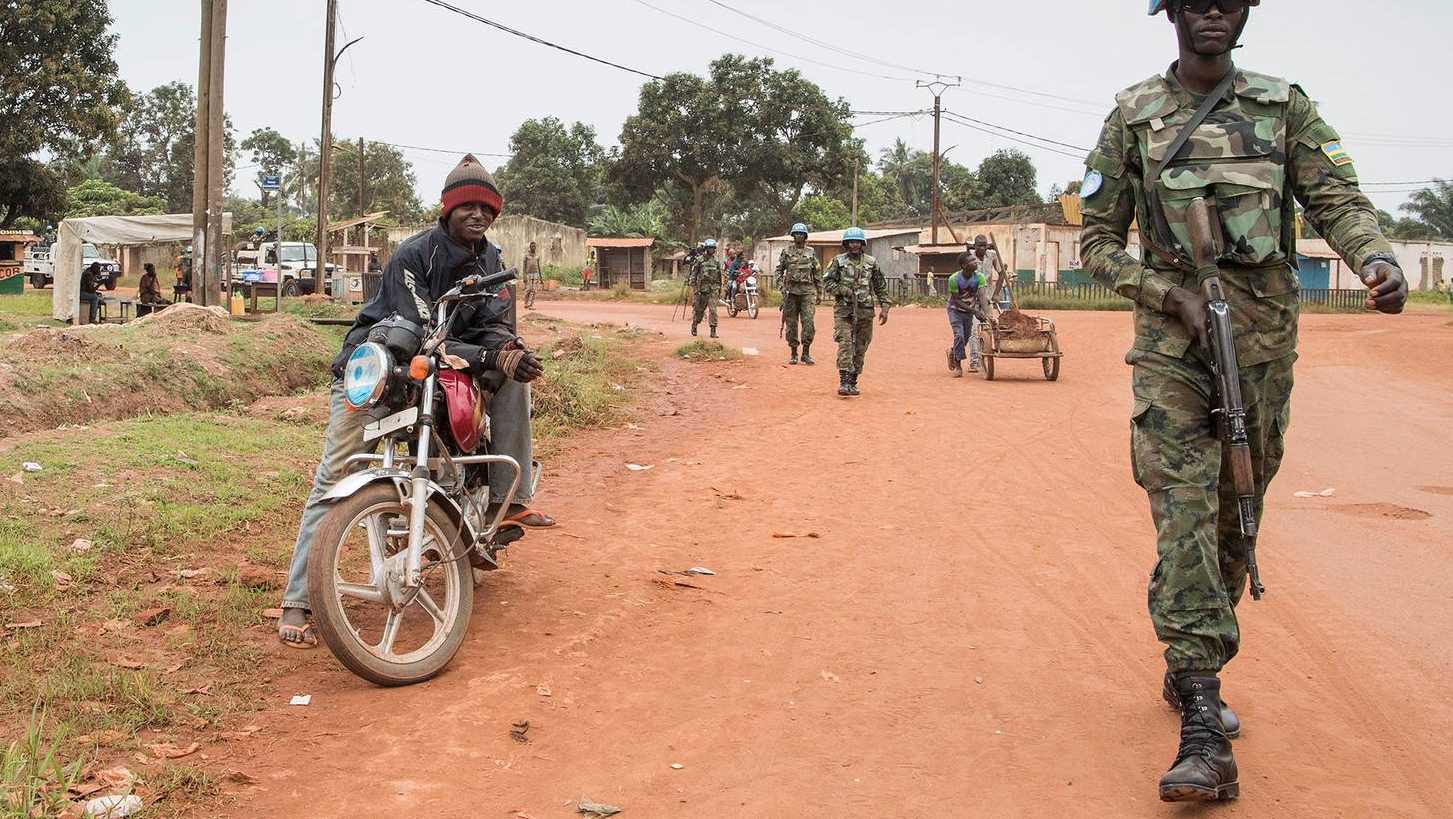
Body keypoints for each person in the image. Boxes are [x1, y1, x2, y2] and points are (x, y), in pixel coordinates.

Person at [1080, 0, 1407, 802]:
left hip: (1259, 354)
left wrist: (1374, 259)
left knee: (1235, 519)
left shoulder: (1281, 106)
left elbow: (1337, 200)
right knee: (1183, 510)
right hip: (1172, 355)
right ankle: (1201, 714)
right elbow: (1094, 241)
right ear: (1173, 14)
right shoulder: (1133, 116)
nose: (1214, 12)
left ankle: (1193, 662)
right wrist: (1168, 295)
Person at [278, 154, 554, 649]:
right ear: (446, 209)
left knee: (516, 379)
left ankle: (507, 502)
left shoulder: (492, 260)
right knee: (333, 475)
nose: (479, 216)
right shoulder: (414, 254)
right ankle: (299, 598)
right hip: (381, 372)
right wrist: (489, 351)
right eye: (467, 206)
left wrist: (509, 352)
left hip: (444, 372)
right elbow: (421, 332)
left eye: (488, 209)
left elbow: (495, 324)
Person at [822, 227, 889, 396]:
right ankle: (843, 382)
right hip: (844, 310)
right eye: (851, 242)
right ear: (846, 244)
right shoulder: (838, 261)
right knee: (845, 343)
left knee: (861, 346)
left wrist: (885, 307)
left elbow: (880, 286)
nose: (854, 245)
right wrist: (844, 291)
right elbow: (827, 282)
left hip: (865, 310)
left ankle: (853, 381)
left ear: (862, 244)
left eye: (857, 242)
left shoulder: (871, 262)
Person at [776, 222, 822, 365]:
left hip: (807, 291)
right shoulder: (787, 251)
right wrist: (781, 286)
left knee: (808, 322)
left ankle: (806, 352)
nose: (799, 236)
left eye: (801, 234)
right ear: (793, 235)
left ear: (805, 236)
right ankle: (794, 352)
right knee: (791, 323)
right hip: (791, 291)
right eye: (796, 234)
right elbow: (779, 270)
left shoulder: (811, 252)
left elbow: (816, 272)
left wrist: (819, 291)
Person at [945, 254, 987, 376]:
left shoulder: (979, 277)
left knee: (965, 338)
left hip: (969, 311)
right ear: (964, 265)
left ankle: (953, 352)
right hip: (955, 310)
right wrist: (974, 311)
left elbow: (982, 296)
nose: (975, 262)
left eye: (975, 259)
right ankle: (958, 367)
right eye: (972, 261)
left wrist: (986, 313)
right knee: (959, 335)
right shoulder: (954, 279)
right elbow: (956, 300)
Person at [687, 238, 721, 338]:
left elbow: (719, 275)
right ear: (706, 248)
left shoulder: (716, 260)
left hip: (713, 288)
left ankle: (713, 330)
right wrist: (694, 287)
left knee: (713, 309)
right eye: (709, 248)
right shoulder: (699, 260)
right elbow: (694, 274)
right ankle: (695, 325)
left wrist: (720, 288)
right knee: (700, 311)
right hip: (702, 289)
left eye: (713, 248)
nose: (711, 250)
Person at [970, 235, 1008, 310]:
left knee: (988, 319)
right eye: (979, 246)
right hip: (973, 298)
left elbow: (1001, 273)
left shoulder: (992, 255)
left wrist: (996, 294)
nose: (982, 248)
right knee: (973, 320)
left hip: (988, 297)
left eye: (984, 246)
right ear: (974, 246)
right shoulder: (970, 257)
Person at [522, 241, 543, 308]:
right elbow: (524, 267)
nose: (534, 248)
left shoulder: (537, 256)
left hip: (536, 274)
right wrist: (524, 276)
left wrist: (540, 277)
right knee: (528, 289)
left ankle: (530, 304)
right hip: (528, 274)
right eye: (532, 246)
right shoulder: (526, 255)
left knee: (534, 290)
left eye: (535, 246)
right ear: (530, 247)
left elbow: (538, 266)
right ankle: (525, 302)